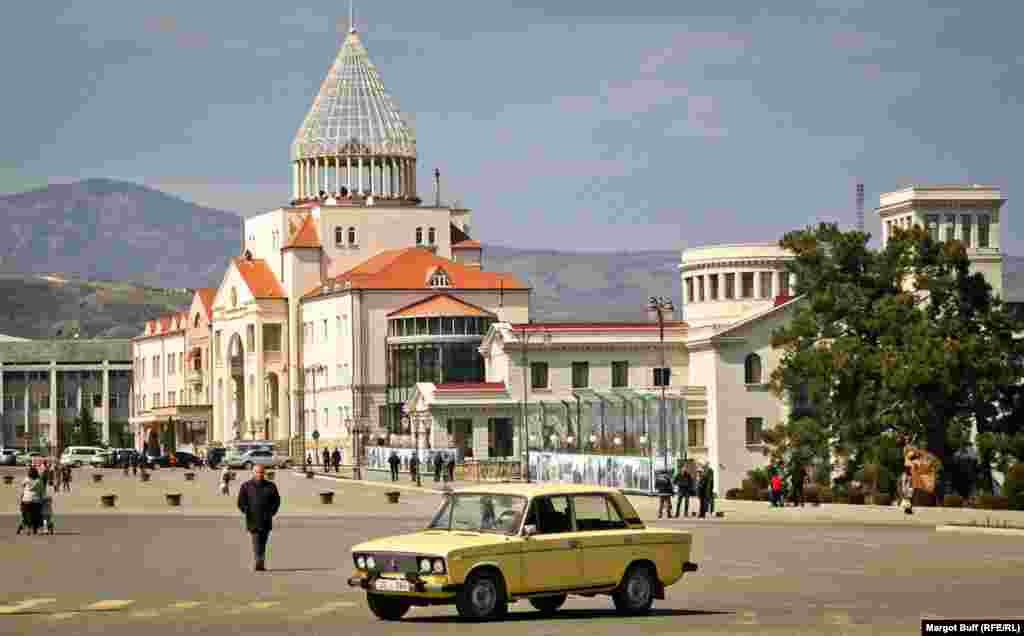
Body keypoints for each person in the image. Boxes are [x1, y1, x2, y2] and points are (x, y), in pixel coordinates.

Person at [237, 464, 281, 572]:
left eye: (261, 472)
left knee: (263, 541)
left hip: (266, 519)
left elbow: (276, 501)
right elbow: (241, 502)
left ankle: (260, 560)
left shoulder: (271, 486)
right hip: (253, 519)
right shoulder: (246, 486)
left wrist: (272, 512)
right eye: (257, 472)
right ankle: (258, 561)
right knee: (256, 541)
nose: (259, 474)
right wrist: (246, 510)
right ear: (253, 473)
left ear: (264, 473)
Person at [18, 467, 45, 535]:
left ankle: (28, 529)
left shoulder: (26, 479)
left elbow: (22, 487)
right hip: (36, 500)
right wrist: (42, 499)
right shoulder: (39, 480)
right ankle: (36, 529)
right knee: (36, 515)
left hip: (26, 499)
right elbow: (42, 491)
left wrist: (21, 497)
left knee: (26, 515)